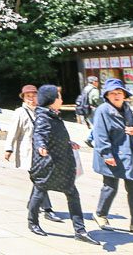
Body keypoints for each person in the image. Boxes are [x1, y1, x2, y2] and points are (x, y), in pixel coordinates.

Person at [28, 85, 99, 245]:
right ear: (51, 100)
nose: (61, 99)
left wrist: (68, 143)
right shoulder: (44, 117)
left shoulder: (53, 115)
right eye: (58, 97)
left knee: (72, 194)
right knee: (39, 192)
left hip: (62, 164)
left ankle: (80, 231)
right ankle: (32, 222)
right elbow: (40, 134)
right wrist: (41, 146)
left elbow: (56, 135)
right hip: (48, 165)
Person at [92, 78, 133, 235]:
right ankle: (100, 214)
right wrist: (106, 154)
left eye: (119, 92)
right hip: (112, 154)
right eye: (112, 93)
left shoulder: (127, 108)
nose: (116, 95)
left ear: (124, 95)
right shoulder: (102, 110)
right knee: (110, 187)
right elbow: (100, 134)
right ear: (107, 96)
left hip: (129, 154)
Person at [4, 84, 61, 223]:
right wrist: (8, 148)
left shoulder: (44, 111)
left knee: (40, 181)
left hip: (44, 152)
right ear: (23, 98)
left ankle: (32, 203)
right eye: (28, 96)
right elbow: (13, 132)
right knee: (41, 181)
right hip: (28, 153)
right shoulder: (19, 112)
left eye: (34, 95)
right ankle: (48, 210)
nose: (31, 98)